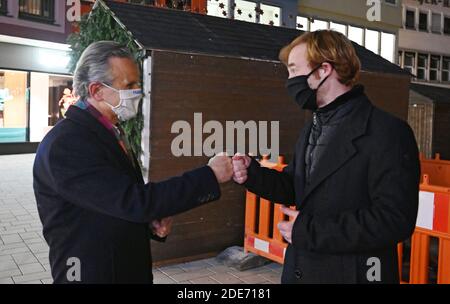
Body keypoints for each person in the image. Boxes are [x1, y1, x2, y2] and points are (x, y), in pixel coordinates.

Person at [33, 41, 233, 284]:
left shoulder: (107, 131)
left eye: (138, 83)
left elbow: (112, 200)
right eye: (129, 85)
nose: (138, 91)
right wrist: (210, 175)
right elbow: (133, 201)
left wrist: (148, 222)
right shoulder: (68, 144)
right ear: (97, 90)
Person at [232, 30, 420, 284]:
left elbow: (394, 220)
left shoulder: (388, 132)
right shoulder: (313, 127)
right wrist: (252, 174)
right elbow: (296, 187)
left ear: (324, 70)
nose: (290, 80)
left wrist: (311, 231)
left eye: (295, 70)